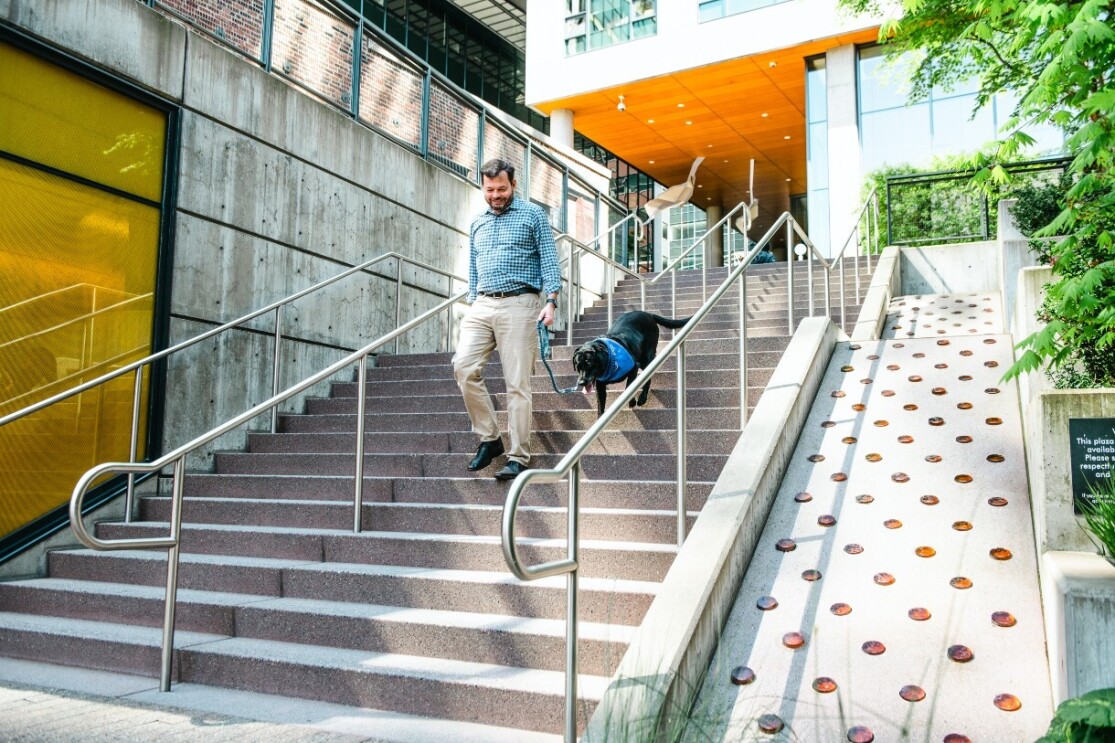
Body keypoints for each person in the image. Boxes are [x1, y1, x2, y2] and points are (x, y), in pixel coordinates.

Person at [452, 159, 561, 481]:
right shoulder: (477, 223)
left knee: (517, 384)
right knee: (464, 367)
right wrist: (473, 301)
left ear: (513, 185)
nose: (495, 195)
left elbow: (550, 261)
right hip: (483, 304)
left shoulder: (533, 215)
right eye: (489, 190)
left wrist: (552, 301)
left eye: (501, 189)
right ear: (482, 188)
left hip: (521, 303)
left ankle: (519, 456)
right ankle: (490, 439)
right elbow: (474, 266)